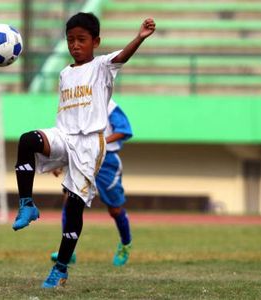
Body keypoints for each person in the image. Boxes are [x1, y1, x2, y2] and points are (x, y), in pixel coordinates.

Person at [11, 12, 155, 288]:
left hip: (90, 145)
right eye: (70, 40)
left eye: (81, 39)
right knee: (27, 141)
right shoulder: (65, 73)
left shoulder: (102, 66)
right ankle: (26, 205)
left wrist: (139, 37)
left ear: (96, 42)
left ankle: (61, 268)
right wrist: (57, 158)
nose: (75, 45)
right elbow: (66, 115)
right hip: (64, 136)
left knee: (75, 207)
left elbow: (122, 56)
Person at [50, 98, 133, 267]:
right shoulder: (74, 104)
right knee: (69, 203)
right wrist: (58, 160)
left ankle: (125, 244)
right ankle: (68, 251)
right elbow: (67, 136)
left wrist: (100, 143)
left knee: (115, 210)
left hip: (106, 161)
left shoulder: (109, 105)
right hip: (81, 159)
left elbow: (124, 130)